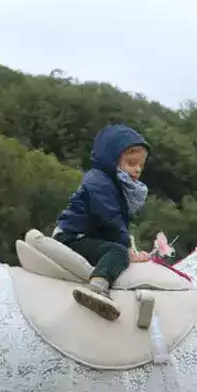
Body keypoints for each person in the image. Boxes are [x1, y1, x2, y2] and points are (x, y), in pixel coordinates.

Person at [53, 124, 152, 322]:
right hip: (73, 236)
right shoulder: (98, 181)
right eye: (132, 163)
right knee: (117, 252)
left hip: (88, 236)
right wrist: (126, 249)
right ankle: (97, 287)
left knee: (119, 249)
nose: (138, 169)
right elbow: (111, 219)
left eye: (141, 165)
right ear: (111, 158)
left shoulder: (112, 184)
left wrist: (130, 246)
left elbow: (118, 225)